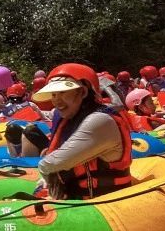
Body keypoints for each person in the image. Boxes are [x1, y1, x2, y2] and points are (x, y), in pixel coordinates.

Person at [33, 63, 134, 201]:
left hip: (103, 202)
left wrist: (46, 181)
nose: (56, 101)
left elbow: (50, 164)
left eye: (62, 92)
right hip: (76, 198)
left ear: (83, 92)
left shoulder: (100, 121)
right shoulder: (70, 118)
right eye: (54, 94)